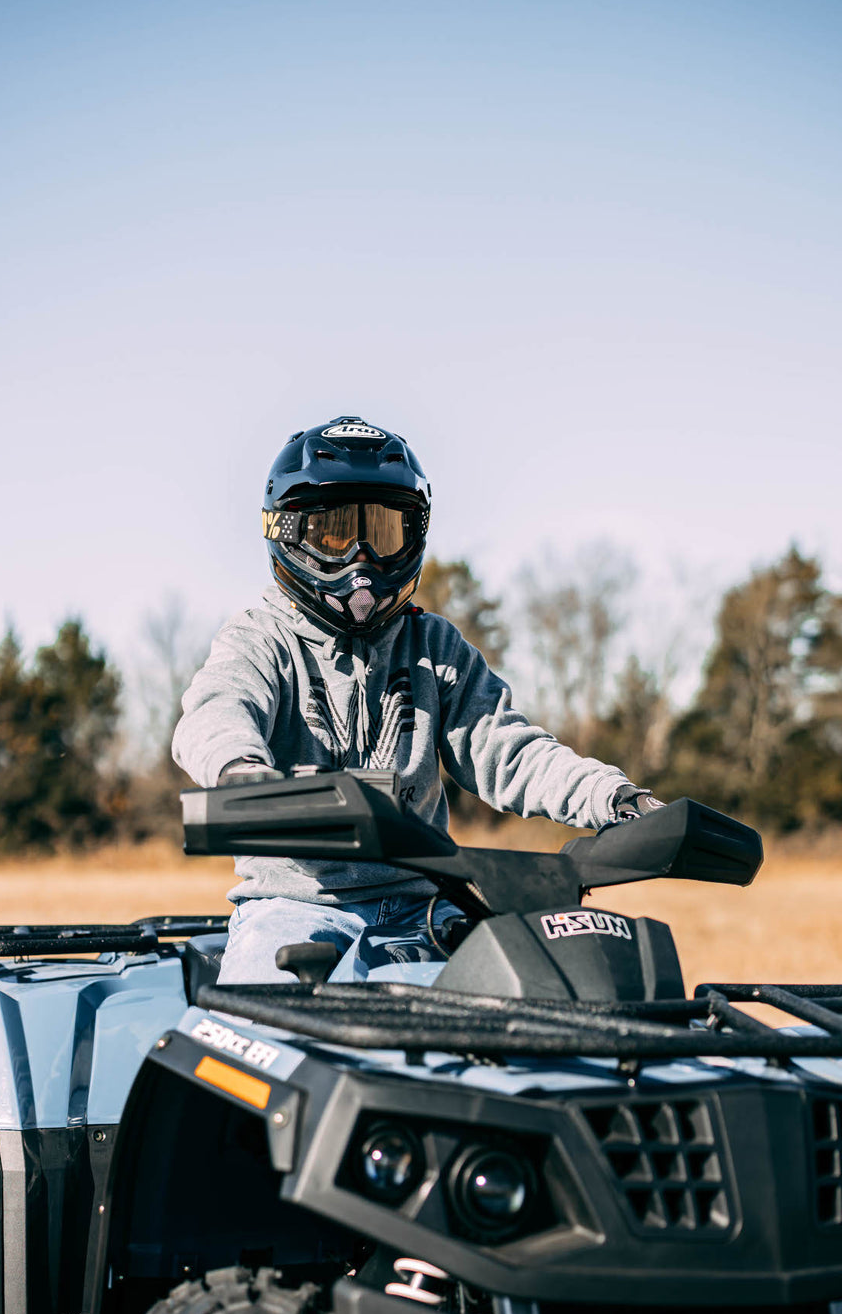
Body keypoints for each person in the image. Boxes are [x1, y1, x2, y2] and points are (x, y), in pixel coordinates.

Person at [172, 415, 662, 984]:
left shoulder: (434, 647)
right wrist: (241, 773)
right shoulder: (260, 639)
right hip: (297, 907)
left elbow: (510, 750)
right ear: (287, 532)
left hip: (427, 904)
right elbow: (216, 710)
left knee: (542, 994)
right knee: (263, 1012)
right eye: (334, 534)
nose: (361, 560)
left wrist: (614, 796)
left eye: (382, 533)